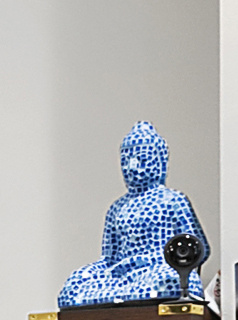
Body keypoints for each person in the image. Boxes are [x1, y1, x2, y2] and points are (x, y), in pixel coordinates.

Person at [59, 124, 206, 307]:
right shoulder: (117, 208)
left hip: (157, 271)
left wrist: (176, 265)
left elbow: (199, 250)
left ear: (159, 161)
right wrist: (86, 275)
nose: (132, 167)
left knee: (169, 282)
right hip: (120, 276)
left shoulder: (173, 201)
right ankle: (119, 295)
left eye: (141, 159)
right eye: (126, 161)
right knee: (72, 288)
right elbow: (108, 259)